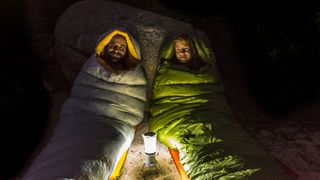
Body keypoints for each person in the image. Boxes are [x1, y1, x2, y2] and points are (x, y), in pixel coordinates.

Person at [149, 34, 290, 179]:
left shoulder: (206, 71)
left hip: (214, 114)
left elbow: (215, 94)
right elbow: (163, 99)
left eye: (186, 48)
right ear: (173, 52)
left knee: (235, 140)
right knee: (197, 146)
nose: (182, 52)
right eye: (178, 49)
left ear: (194, 50)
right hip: (180, 117)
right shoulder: (167, 71)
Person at [22, 28, 147, 180]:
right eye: (113, 45)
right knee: (57, 151)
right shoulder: (91, 65)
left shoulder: (134, 75)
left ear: (128, 52)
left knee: (94, 156)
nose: (116, 49)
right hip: (79, 116)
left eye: (122, 47)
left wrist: (120, 117)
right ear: (105, 46)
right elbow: (80, 93)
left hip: (114, 123)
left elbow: (133, 108)